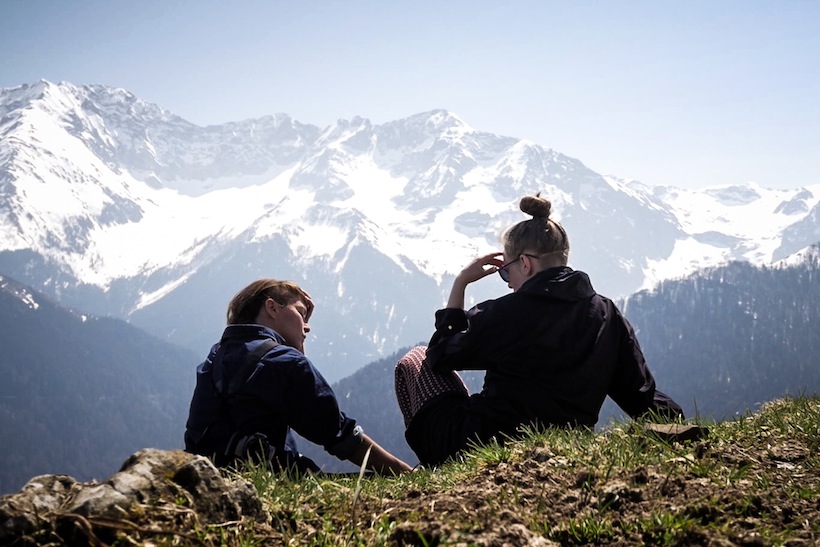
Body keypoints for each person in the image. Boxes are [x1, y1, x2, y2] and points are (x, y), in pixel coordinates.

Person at [395, 194, 684, 466]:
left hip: (479, 443)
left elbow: (440, 356)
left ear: (525, 263)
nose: (508, 282)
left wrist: (460, 284)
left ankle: (435, 465)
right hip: (569, 443)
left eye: (506, 271)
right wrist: (679, 426)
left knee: (416, 359)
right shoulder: (606, 313)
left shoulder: (504, 312)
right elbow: (640, 395)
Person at [185, 279, 412, 475]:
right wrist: (406, 473)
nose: (307, 327)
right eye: (302, 313)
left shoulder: (215, 358)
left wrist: (296, 342)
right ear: (272, 308)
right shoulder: (283, 361)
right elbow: (340, 436)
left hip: (209, 475)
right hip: (273, 478)